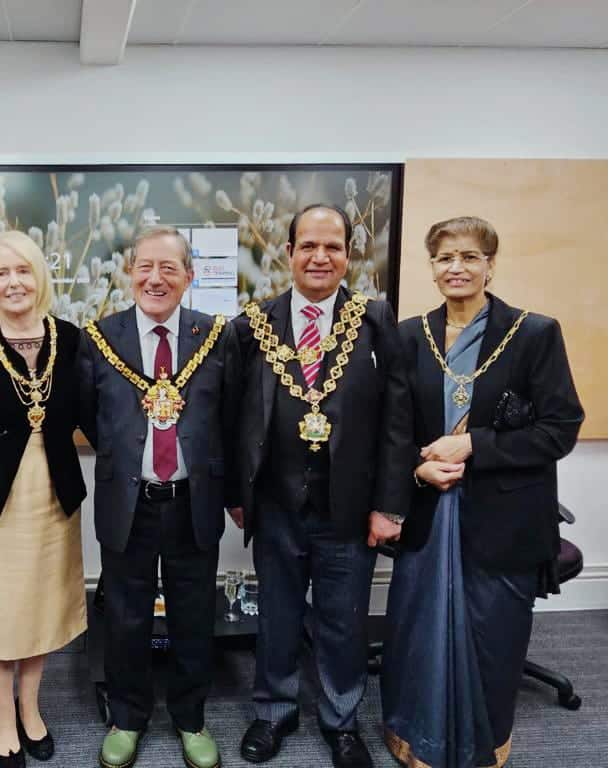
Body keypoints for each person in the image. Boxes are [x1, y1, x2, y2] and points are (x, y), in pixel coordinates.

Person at [381, 216, 584, 768]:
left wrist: (475, 447)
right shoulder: (408, 335)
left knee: (492, 639)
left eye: (470, 257)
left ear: (491, 264)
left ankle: (482, 744)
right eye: (445, 258)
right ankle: (411, 738)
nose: (457, 268)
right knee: (415, 634)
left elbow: (560, 428)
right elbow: (392, 429)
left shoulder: (534, 332)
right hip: (428, 514)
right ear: (431, 267)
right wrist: (415, 474)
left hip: (503, 517)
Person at [230, 204, 413, 768]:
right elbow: (235, 416)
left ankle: (341, 721)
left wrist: (390, 505)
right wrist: (239, 494)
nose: (320, 256)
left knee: (344, 619)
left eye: (332, 247)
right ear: (288, 254)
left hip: (349, 508)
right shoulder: (253, 324)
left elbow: (397, 420)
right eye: (308, 245)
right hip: (278, 504)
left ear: (348, 257)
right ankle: (273, 713)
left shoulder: (376, 320)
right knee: (277, 616)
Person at [77, 225, 241, 768]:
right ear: (130, 272)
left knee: (195, 615)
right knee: (125, 617)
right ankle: (127, 716)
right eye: (146, 266)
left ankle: (191, 718)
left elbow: (231, 418)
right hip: (130, 504)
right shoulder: (99, 338)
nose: (156, 278)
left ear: (189, 276)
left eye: (169, 268)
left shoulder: (216, 337)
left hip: (193, 500)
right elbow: (89, 415)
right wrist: (132, 458)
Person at [0, 230, 87, 768]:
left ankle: (32, 707)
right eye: (1, 273)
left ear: (40, 277)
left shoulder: (71, 340)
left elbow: (85, 411)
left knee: (41, 606)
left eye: (22, 270)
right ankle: (2, 712)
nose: (13, 282)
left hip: (54, 494)